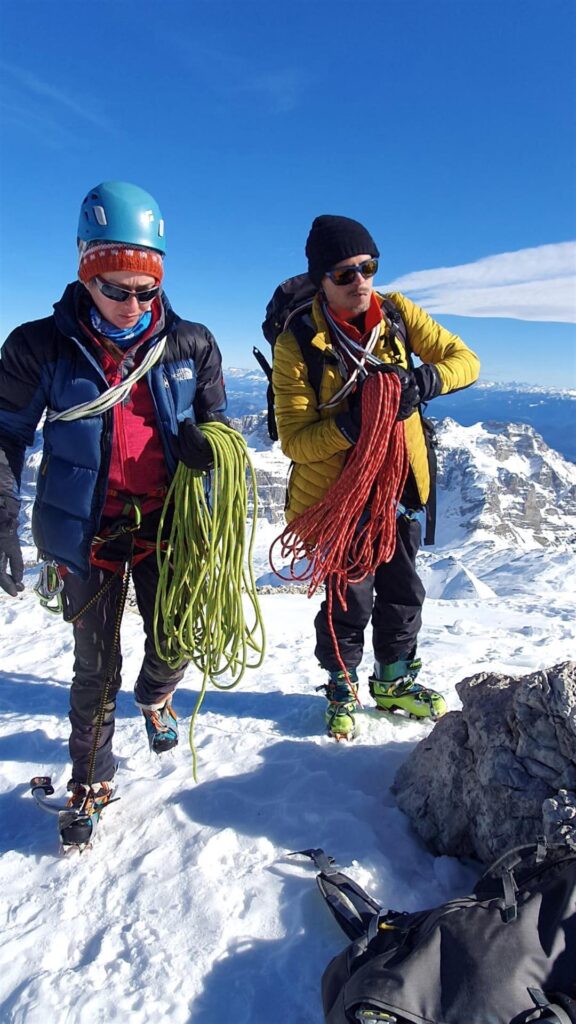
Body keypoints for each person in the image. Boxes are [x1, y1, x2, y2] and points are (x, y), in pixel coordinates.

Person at [0, 180, 228, 819]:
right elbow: (6, 434)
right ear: (85, 271)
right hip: (88, 531)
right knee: (94, 666)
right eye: (115, 286)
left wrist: (205, 448)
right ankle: (93, 778)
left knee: (176, 637)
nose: (133, 302)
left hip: (168, 522)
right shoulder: (39, 346)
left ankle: (156, 695)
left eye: (146, 288)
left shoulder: (192, 344)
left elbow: (218, 423)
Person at [272, 215, 480, 740]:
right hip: (343, 494)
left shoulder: (398, 313)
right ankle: (341, 686)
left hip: (402, 481)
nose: (360, 281)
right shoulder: (299, 342)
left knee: (404, 588)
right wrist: (350, 423)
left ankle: (392, 679)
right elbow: (295, 439)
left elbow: (467, 360)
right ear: (321, 280)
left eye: (368, 267)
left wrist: (423, 379)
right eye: (344, 274)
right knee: (351, 594)